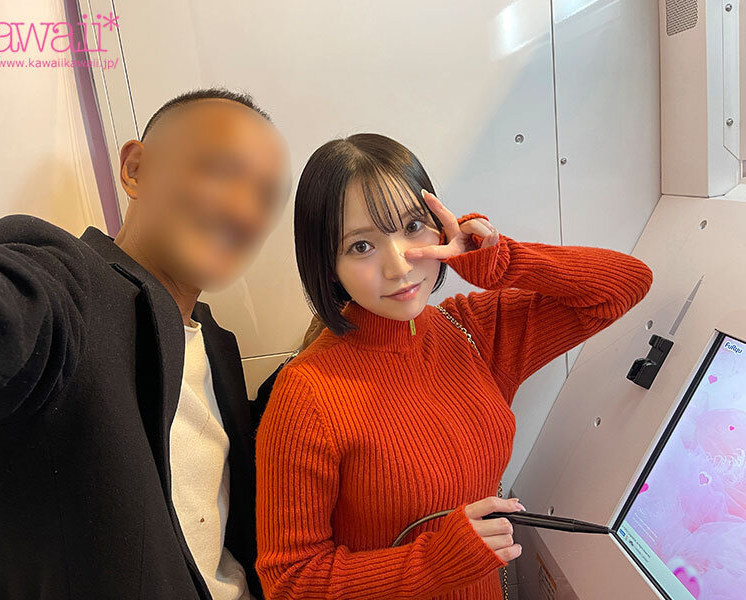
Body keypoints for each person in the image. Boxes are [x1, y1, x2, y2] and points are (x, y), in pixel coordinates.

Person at [255, 133, 653, 599]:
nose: (399, 266)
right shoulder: (306, 394)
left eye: (412, 226)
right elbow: (289, 582)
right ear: (328, 266)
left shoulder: (473, 330)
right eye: (361, 247)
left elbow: (625, 283)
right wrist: (436, 562)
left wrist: (500, 261)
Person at [0, 88, 290, 599]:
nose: (245, 211)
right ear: (135, 170)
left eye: (266, 197)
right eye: (221, 171)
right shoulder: (74, 287)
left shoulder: (218, 344)